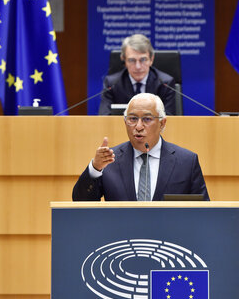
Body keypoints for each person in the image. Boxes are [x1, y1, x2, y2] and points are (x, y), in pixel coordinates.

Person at [72, 93, 209, 201]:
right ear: (125, 122)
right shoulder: (109, 161)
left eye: (147, 119)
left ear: (162, 123)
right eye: (132, 119)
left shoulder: (186, 162)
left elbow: (203, 213)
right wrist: (95, 168)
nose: (138, 127)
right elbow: (81, 202)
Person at [98, 34, 176, 115]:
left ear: (151, 59)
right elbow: (104, 118)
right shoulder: (112, 84)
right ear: (124, 60)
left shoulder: (165, 84)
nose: (138, 67)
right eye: (132, 60)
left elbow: (169, 119)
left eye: (143, 59)